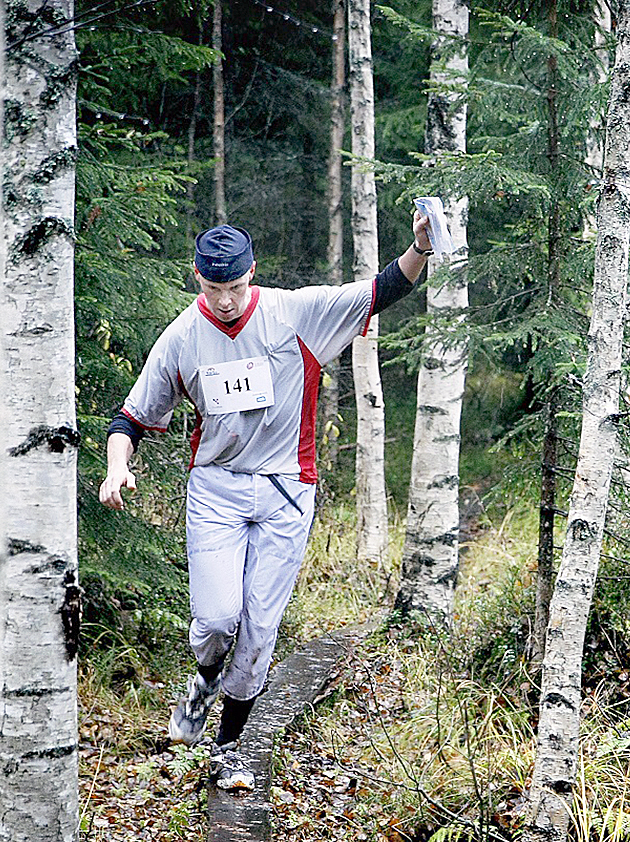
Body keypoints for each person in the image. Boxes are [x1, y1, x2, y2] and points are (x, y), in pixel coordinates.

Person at [99, 211, 434, 789]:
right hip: (217, 489)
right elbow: (130, 415)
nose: (226, 301)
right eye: (213, 289)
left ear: (252, 274)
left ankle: (227, 751)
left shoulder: (293, 313)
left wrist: (421, 249)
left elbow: (383, 288)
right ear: (196, 280)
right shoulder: (182, 337)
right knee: (216, 618)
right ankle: (201, 686)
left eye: (235, 287)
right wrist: (115, 468)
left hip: (286, 489)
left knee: (257, 634)